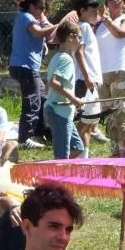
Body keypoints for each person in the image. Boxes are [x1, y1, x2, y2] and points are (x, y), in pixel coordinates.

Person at [10, 0, 57, 149]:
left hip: (27, 66)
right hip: (26, 66)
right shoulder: (27, 17)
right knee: (32, 101)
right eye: (40, 8)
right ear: (31, 6)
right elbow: (38, 32)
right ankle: (24, 138)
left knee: (42, 97)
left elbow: (44, 36)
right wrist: (60, 25)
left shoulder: (32, 19)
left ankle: (40, 131)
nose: (42, 12)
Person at [96, 0, 125, 157]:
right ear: (106, 1)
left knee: (121, 111)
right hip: (103, 73)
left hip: (122, 69)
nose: (114, 0)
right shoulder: (99, 25)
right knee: (110, 115)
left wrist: (105, 18)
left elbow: (120, 33)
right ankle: (115, 150)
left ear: (124, 2)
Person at [45, 22, 86, 160]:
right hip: (59, 112)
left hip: (60, 110)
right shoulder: (66, 59)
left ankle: (62, 171)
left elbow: (48, 85)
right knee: (62, 156)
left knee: (78, 147)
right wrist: (74, 99)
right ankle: (57, 177)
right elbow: (53, 82)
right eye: (79, 37)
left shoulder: (56, 57)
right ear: (70, 37)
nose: (80, 41)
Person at [73, 0, 106, 156]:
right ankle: (77, 157)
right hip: (86, 82)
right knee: (85, 121)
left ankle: (83, 156)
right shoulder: (84, 27)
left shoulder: (86, 28)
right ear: (83, 10)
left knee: (89, 122)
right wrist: (87, 78)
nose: (97, 10)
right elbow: (79, 53)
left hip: (89, 82)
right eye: (93, 7)